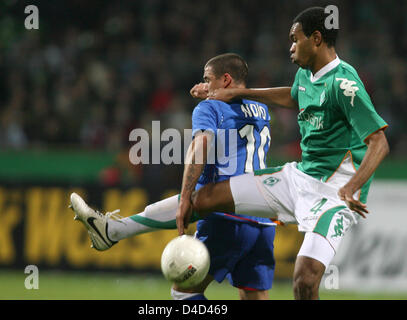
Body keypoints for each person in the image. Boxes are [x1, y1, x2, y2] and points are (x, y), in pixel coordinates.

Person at [176, 7, 390, 300]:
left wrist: (352, 186)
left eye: (294, 38)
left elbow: (379, 142)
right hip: (301, 177)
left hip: (334, 193)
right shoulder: (306, 74)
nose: (290, 46)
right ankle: (119, 229)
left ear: (316, 38)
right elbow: (293, 96)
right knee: (204, 198)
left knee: (304, 280)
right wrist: (238, 93)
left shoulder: (344, 84)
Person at [70, 53, 276, 300]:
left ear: (226, 79)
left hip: (225, 214)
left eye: (207, 79)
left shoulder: (209, 108)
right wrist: (214, 91)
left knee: (184, 294)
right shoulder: (261, 110)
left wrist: (185, 197)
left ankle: (112, 231)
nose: (203, 84)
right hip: (262, 219)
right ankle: (113, 230)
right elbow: (236, 106)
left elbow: (200, 148)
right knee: (254, 294)